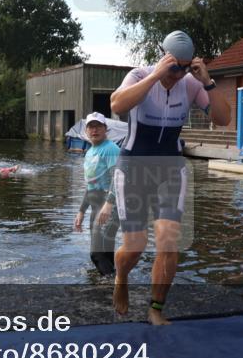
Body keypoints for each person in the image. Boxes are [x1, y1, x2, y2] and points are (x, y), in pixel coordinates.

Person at [109, 30, 231, 325]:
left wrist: (208, 83)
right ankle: (121, 277)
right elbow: (116, 105)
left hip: (170, 169)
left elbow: (224, 119)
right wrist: (155, 76)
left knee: (168, 242)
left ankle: (155, 308)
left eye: (185, 68)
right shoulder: (140, 75)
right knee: (135, 246)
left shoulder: (190, 85)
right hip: (134, 167)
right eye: (175, 66)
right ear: (162, 56)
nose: (179, 74)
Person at [73, 112, 120, 275]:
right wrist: (81, 211)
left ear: (105, 129)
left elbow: (118, 178)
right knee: (106, 252)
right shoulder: (90, 152)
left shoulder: (111, 149)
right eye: (91, 127)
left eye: (98, 126)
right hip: (95, 206)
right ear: (86, 131)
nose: (94, 130)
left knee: (97, 253)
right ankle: (114, 285)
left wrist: (109, 204)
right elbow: (90, 185)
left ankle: (109, 286)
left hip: (109, 206)